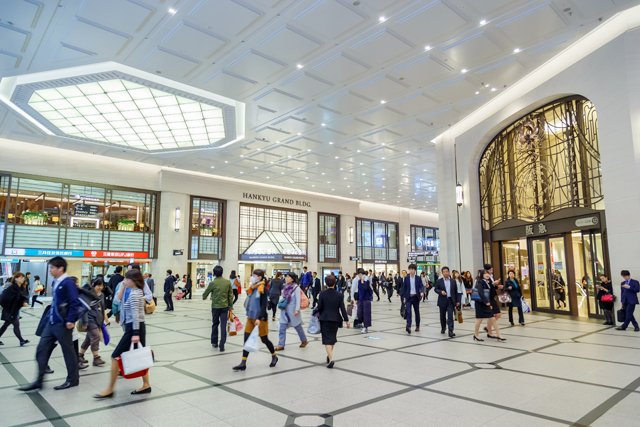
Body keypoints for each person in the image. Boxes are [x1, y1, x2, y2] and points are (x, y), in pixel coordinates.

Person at [20, 257, 80, 391]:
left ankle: (73, 380)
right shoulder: (56, 281)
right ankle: (39, 381)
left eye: (52, 268)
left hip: (63, 324)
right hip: (52, 323)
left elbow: (75, 302)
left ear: (61, 268)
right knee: (41, 349)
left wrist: (70, 320)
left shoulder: (68, 282)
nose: (50, 270)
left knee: (68, 352)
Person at [95, 269, 150, 398]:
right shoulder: (132, 291)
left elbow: (136, 316)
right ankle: (146, 385)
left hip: (134, 329)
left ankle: (110, 389)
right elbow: (116, 302)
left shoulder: (136, 294)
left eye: (127, 279)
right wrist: (123, 286)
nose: (124, 280)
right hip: (134, 327)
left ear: (134, 280)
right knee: (138, 356)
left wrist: (135, 333)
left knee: (115, 356)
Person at [233, 269, 278, 371]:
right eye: (252, 274)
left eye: (254, 275)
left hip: (260, 319)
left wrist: (259, 317)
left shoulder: (262, 288)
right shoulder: (252, 288)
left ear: (260, 278)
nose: (252, 277)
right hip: (250, 318)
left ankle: (274, 356)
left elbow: (263, 304)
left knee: (264, 340)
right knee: (246, 339)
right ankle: (243, 363)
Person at [318, 275, 350, 368]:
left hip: (325, 319)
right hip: (336, 319)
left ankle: (331, 359)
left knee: (327, 340)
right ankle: (329, 355)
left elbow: (319, 307)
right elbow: (343, 309)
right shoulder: (339, 295)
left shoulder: (322, 294)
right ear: (335, 283)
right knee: (332, 338)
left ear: (326, 283)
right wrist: (347, 320)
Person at [202, 265, 234, 351]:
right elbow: (231, 295)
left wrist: (205, 296)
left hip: (215, 307)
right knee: (223, 325)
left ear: (214, 274)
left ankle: (214, 342)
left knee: (215, 324)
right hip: (225, 307)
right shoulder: (227, 282)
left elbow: (205, 294)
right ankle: (222, 343)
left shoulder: (212, 283)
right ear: (222, 273)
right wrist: (230, 306)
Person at [276, 272, 308, 351]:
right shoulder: (285, 287)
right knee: (282, 327)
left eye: (288, 277)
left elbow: (298, 300)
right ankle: (281, 344)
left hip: (293, 311)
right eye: (286, 277)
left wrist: (297, 310)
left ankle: (304, 340)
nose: (286, 278)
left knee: (297, 327)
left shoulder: (296, 288)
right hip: (284, 310)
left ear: (293, 279)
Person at [79, 278, 106, 366]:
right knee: (95, 336)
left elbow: (102, 309)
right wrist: (85, 323)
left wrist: (103, 321)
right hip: (90, 320)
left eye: (102, 285)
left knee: (88, 339)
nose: (100, 287)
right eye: (98, 285)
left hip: (97, 321)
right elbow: (84, 309)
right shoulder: (88, 295)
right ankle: (96, 358)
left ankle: (80, 355)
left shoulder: (102, 295)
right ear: (93, 284)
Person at [473, 269, 506, 342]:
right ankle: (476, 334)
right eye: (485, 273)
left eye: (487, 273)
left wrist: (496, 286)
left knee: (493, 318)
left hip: (486, 302)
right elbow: (480, 292)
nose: (487, 274)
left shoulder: (489, 281)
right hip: (480, 303)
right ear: (482, 275)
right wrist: (486, 302)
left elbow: (491, 289)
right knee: (479, 319)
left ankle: (499, 334)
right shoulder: (480, 282)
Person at [0, 272, 29, 346]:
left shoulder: (22, 288)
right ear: (16, 279)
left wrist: (24, 301)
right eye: (20, 277)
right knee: (16, 324)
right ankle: (21, 340)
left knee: (5, 325)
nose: (22, 279)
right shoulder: (11, 288)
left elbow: (23, 297)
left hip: (14, 310)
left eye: (23, 277)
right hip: (9, 310)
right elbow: (3, 298)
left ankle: (21, 340)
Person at [434, 267, 459, 337]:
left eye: (446, 271)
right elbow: (435, 289)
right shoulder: (439, 281)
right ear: (442, 273)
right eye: (444, 272)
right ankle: (443, 327)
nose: (445, 273)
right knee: (442, 316)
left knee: (450, 316)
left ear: (449, 272)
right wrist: (440, 292)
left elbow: (455, 292)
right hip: (442, 300)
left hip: (450, 301)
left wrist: (457, 301)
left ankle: (450, 330)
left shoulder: (453, 281)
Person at [402, 264, 425, 334]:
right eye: (410, 269)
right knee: (409, 312)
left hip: (416, 297)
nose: (411, 271)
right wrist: (404, 298)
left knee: (417, 312)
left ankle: (417, 325)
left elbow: (421, 286)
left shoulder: (418, 278)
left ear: (415, 270)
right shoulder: (406, 278)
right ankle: (408, 326)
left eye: (412, 269)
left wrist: (422, 292)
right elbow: (404, 289)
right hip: (408, 297)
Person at [356, 268, 373, 333]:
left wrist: (363, 282)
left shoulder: (367, 281)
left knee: (366, 314)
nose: (359, 276)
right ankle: (363, 323)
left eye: (360, 275)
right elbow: (359, 290)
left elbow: (366, 289)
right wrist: (357, 299)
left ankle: (365, 327)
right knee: (359, 313)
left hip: (366, 299)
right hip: (360, 299)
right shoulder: (358, 281)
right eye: (358, 275)